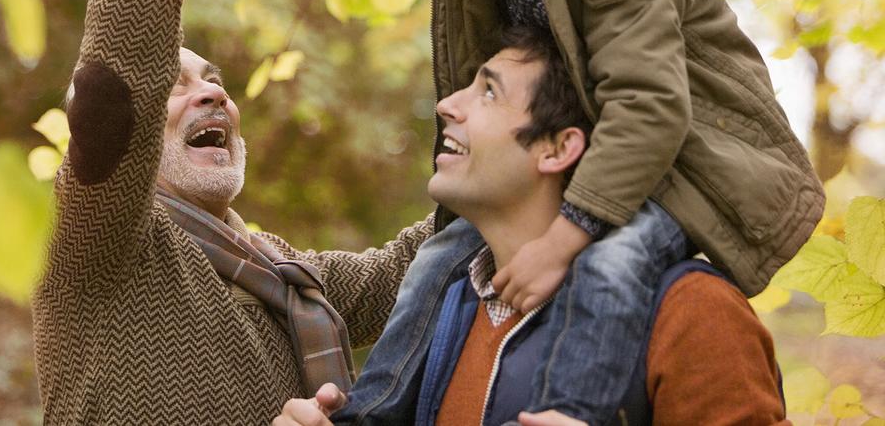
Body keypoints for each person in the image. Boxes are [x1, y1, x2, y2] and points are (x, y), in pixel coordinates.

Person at [204, 0, 823, 423]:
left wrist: (565, 240)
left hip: (665, 161)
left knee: (613, 266)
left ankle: (571, 408)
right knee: (434, 262)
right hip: (585, 136)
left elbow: (650, 106)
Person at [30, 0, 433, 425]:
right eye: (176, 86)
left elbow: (417, 266)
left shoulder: (286, 274)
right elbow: (122, 78)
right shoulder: (96, 244)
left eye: (214, 80)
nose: (213, 93)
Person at [272, 29, 792, 426]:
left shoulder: (690, 311)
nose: (447, 105)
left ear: (558, 148)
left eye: (489, 93)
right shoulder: (444, 310)